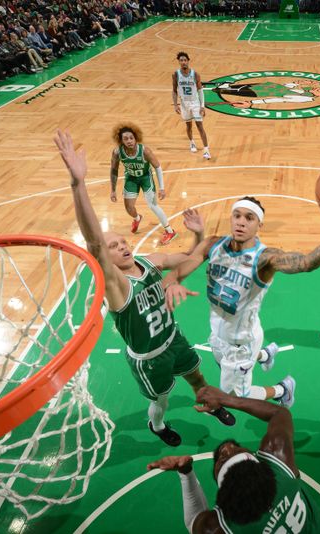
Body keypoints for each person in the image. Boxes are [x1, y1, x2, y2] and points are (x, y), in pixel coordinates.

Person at [54, 130, 235, 447]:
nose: (122, 247)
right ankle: (158, 424)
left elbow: (190, 259)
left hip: (172, 338)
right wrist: (77, 184)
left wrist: (199, 235)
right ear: (105, 258)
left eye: (123, 241)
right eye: (114, 247)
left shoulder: (149, 261)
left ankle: (210, 404)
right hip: (148, 358)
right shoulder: (116, 284)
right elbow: (95, 241)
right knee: (162, 400)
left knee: (197, 376)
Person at [163, 196, 320, 404]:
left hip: (241, 343)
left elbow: (307, 263)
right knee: (222, 364)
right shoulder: (213, 245)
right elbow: (183, 266)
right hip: (217, 333)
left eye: (249, 218)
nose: (241, 222)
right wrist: (173, 280)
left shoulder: (265, 259)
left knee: (235, 395)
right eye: (237, 216)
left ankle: (282, 389)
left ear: (259, 225)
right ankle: (265, 355)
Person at [147, 386, 320, 532]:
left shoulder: (222, 527)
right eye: (238, 455)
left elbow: (194, 521)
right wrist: (225, 399)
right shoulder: (280, 466)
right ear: (262, 468)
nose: (227, 448)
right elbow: (280, 414)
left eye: (223, 459)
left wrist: (186, 473)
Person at [110, 123, 178, 246]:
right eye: (126, 139)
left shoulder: (145, 151)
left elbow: (157, 167)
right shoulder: (117, 152)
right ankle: (137, 218)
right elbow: (114, 170)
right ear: (121, 141)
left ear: (136, 138)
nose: (129, 141)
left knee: (153, 205)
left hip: (146, 178)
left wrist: (162, 188)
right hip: (131, 178)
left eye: (131, 138)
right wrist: (113, 190)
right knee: (129, 208)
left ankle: (170, 231)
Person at [172, 51, 210, 160]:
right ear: (179, 62)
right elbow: (174, 91)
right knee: (188, 126)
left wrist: (202, 105)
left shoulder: (195, 74)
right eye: (181, 60)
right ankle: (192, 142)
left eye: (185, 60)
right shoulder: (176, 74)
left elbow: (200, 90)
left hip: (195, 103)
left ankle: (206, 150)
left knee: (200, 126)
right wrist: (175, 105)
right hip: (184, 104)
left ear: (188, 61)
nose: (183, 62)